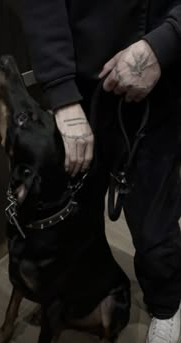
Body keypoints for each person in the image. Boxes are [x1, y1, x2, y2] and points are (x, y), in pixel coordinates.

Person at [18, 1, 181, 342]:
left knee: (155, 226)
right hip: (80, 92)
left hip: (163, 80)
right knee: (73, 219)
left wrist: (168, 40)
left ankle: (166, 305)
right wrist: (62, 94)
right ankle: (78, 295)